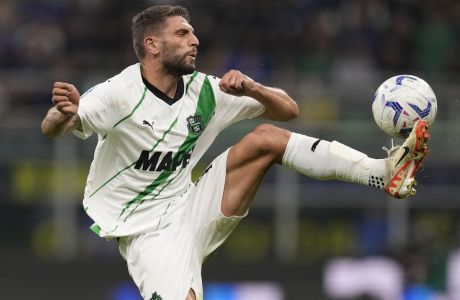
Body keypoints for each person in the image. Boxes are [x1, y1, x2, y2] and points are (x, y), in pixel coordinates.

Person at [40, 5, 430, 300]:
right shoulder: (118, 93)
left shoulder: (206, 91)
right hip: (143, 231)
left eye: (192, 32)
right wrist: (63, 113)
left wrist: (253, 90)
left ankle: (383, 172)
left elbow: (289, 111)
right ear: (152, 44)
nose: (194, 40)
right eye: (182, 33)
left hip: (190, 202)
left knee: (266, 138)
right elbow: (56, 128)